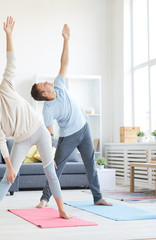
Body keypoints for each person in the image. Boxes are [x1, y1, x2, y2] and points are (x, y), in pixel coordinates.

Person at [0, 16, 71, 224]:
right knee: (8, 177)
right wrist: (9, 166)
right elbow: (0, 141)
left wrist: (9, 35)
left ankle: (60, 209)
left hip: (40, 131)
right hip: (22, 140)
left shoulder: (6, 86)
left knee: (50, 172)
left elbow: (11, 62)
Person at [30, 24, 112, 208]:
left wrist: (66, 40)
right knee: (57, 167)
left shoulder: (58, 84)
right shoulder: (47, 109)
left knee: (90, 163)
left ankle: (97, 197)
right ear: (44, 94)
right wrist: (48, 155)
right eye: (43, 84)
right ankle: (45, 198)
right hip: (68, 136)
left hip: (84, 127)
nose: (46, 82)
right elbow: (49, 133)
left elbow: (64, 63)